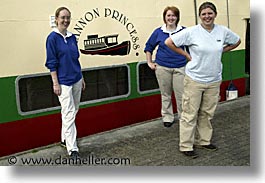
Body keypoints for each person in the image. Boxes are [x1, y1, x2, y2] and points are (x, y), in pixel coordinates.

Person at [165, 1, 241, 158]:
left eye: (210, 13)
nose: (207, 16)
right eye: (204, 14)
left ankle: (203, 141)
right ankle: (186, 145)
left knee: (207, 113)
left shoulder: (222, 31)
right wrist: (186, 55)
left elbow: (237, 41)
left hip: (213, 80)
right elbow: (169, 42)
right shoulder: (192, 32)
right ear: (200, 16)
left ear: (215, 14)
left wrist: (222, 50)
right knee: (189, 113)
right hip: (195, 80)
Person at [45, 7, 85, 158]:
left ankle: (64, 139)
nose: (65, 20)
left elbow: (75, 59)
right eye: (62, 17)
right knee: (68, 113)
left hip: (76, 79)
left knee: (73, 111)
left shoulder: (72, 37)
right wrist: (55, 83)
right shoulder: (52, 38)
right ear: (56, 19)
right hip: (63, 82)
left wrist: (81, 77)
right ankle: (72, 148)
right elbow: (51, 62)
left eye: (68, 17)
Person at [144, 6, 187, 128]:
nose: (171, 18)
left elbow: (192, 47)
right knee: (165, 94)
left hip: (180, 68)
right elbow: (148, 47)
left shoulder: (184, 31)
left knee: (181, 95)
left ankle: (183, 117)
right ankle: (168, 117)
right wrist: (149, 62)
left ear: (177, 17)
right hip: (163, 68)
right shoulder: (158, 32)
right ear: (165, 17)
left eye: (173, 15)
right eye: (168, 15)